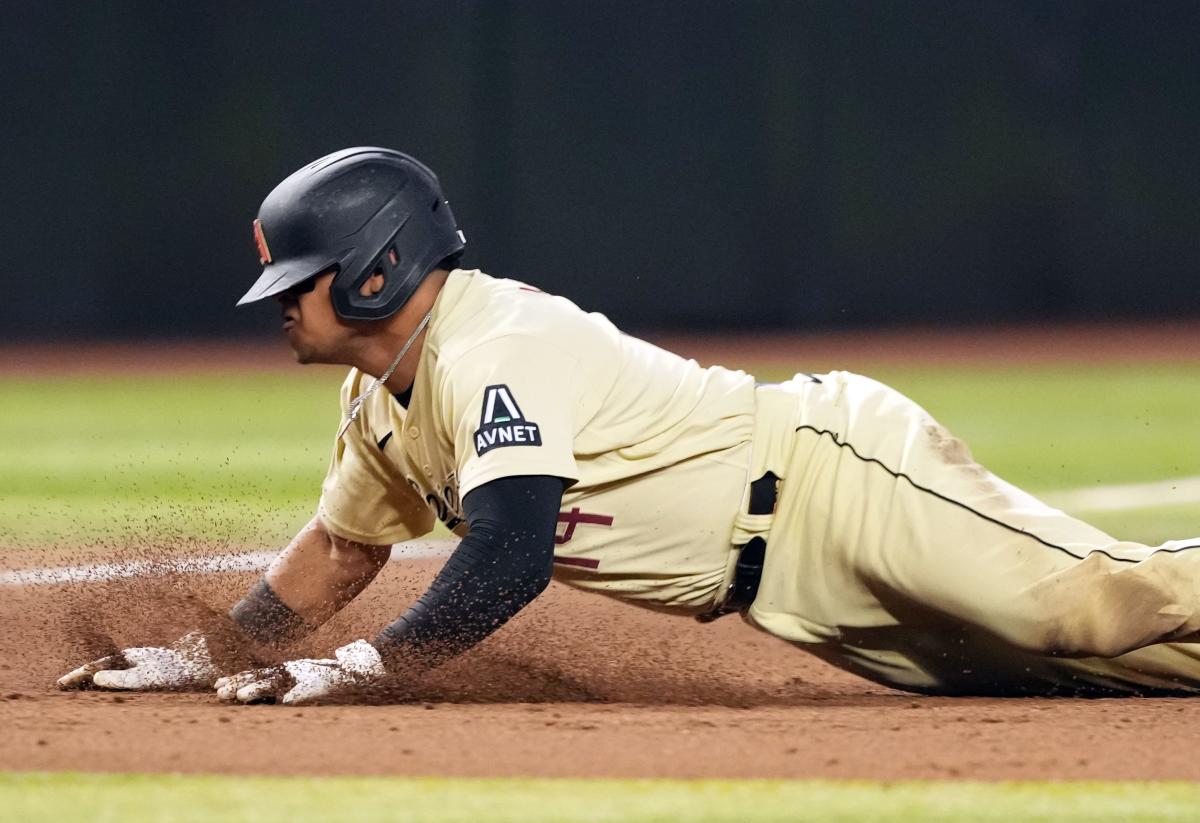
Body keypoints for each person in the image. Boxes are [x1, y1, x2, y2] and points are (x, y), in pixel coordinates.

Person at [58, 147, 1200, 704]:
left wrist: (368, 669)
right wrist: (208, 656)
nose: (280, 309)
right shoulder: (379, 396)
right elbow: (347, 548)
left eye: (296, 283)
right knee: (1117, 677)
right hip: (788, 594)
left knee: (1088, 609)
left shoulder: (493, 346)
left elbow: (507, 555)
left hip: (835, 483)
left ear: (374, 271)